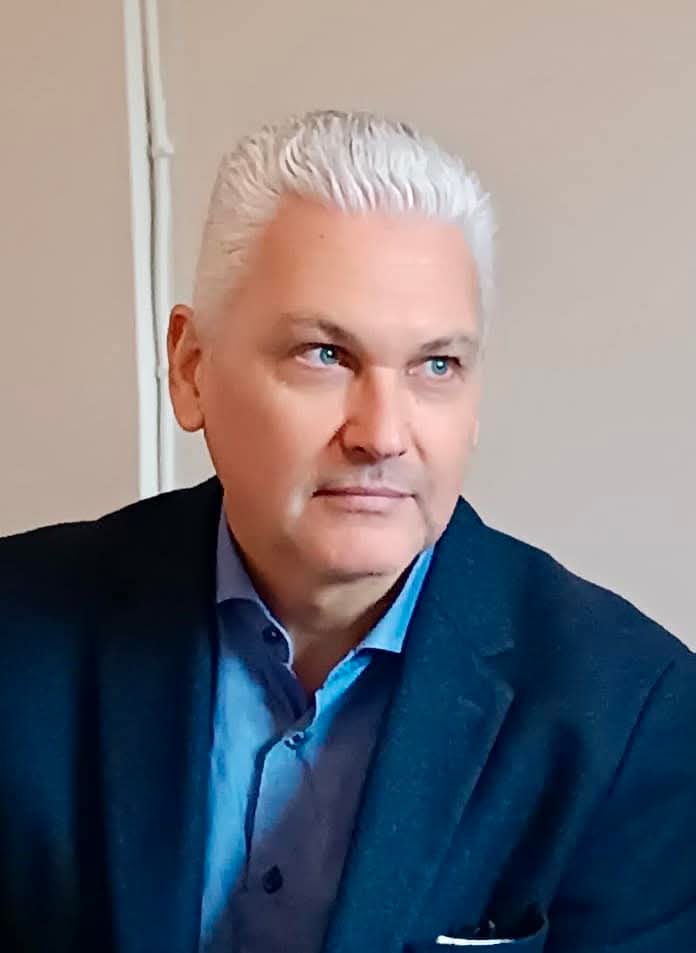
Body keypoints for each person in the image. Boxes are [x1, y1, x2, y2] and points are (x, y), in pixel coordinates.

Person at [0, 109, 694, 953]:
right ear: (191, 369)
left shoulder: (632, 714)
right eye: (324, 355)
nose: (383, 434)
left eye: (437, 365)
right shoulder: (19, 636)